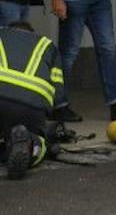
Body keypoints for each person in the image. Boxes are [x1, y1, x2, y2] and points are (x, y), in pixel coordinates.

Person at [0, 21, 67, 181]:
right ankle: (31, 144)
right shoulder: (47, 45)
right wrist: (55, 114)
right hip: (31, 107)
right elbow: (58, 87)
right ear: (33, 33)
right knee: (40, 138)